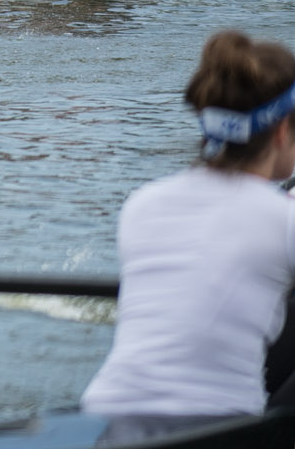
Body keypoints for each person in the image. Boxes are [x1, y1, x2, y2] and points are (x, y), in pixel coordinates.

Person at [81, 30, 295, 428]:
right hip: (214, 433)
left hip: (105, 416)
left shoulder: (143, 204)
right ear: (283, 131)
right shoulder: (282, 219)